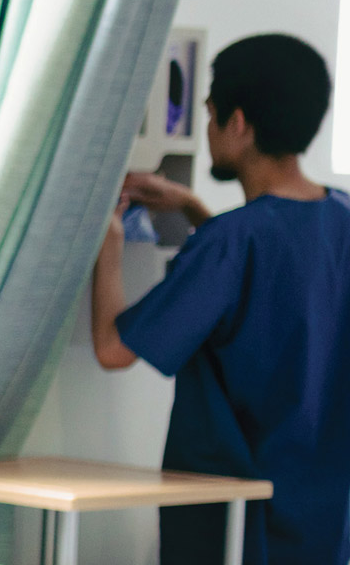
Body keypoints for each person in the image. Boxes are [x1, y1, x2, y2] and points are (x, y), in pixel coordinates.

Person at [90, 33, 349, 565]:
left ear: (238, 124)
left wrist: (107, 250)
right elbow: (276, 280)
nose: (207, 131)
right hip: (323, 526)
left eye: (210, 115)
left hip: (234, 522)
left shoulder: (231, 243)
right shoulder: (340, 219)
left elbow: (113, 349)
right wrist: (191, 207)